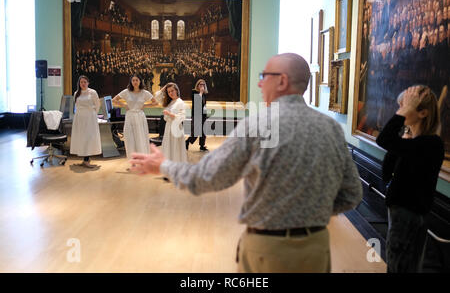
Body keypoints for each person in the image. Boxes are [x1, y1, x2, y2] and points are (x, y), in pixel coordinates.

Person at [130, 53, 362, 273]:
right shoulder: (330, 127)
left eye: (264, 77)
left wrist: (163, 166)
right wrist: (310, 214)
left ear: (281, 81)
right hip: (317, 248)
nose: (260, 84)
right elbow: (351, 194)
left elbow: (208, 177)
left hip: (269, 249)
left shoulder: (258, 125)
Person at [376, 85, 444, 273]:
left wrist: (403, 114)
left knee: (400, 266)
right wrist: (406, 132)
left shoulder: (431, 144)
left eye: (404, 107)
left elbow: (383, 140)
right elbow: (387, 168)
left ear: (423, 113)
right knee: (399, 264)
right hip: (402, 214)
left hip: (409, 216)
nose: (400, 112)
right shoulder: (414, 143)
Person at [112, 74, 157, 159]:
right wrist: (124, 105)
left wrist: (145, 105)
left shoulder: (144, 93)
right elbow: (114, 100)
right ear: (131, 82)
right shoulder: (126, 91)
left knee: (141, 138)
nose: (135, 82)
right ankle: (133, 161)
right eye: (133, 80)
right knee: (130, 139)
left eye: (137, 80)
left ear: (140, 81)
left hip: (140, 116)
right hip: (130, 116)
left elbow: (155, 102)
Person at [70, 75, 102, 168]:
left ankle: (87, 160)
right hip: (79, 118)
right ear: (79, 83)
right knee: (81, 138)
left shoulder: (92, 92)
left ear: (88, 83)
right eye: (81, 82)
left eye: (85, 82)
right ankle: (84, 159)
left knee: (89, 138)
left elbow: (97, 105)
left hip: (89, 118)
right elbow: (76, 106)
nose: (83, 84)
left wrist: (92, 115)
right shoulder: (76, 93)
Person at [154, 83, 187, 169]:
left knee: (176, 149)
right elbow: (157, 96)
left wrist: (169, 114)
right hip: (168, 127)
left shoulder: (180, 102)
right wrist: (166, 86)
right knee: (168, 148)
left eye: (172, 90)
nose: (171, 93)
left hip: (176, 128)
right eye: (168, 92)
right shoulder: (169, 102)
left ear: (176, 90)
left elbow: (182, 117)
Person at [186, 79, 209, 151]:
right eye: (200, 84)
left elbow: (204, 105)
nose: (202, 86)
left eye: (203, 85)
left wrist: (206, 114)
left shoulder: (204, 94)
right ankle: (187, 142)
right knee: (196, 132)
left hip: (203, 115)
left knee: (203, 132)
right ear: (197, 85)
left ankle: (202, 145)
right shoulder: (194, 92)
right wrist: (201, 93)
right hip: (196, 115)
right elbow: (197, 102)